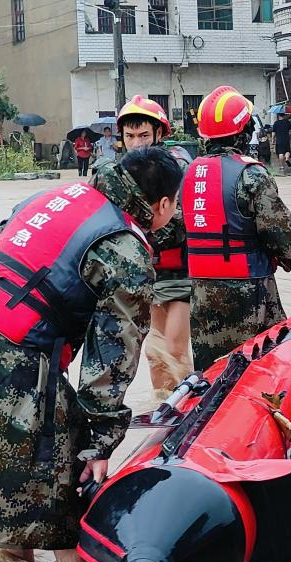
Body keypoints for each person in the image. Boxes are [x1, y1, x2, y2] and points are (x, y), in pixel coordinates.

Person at [0, 147, 184, 562]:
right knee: (62, 491)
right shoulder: (125, 248)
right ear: (162, 205)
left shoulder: (56, 197)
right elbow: (114, 356)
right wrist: (100, 444)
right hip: (16, 353)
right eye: (173, 205)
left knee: (14, 476)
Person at [185, 85, 291, 371]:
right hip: (249, 291)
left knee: (211, 374)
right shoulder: (251, 175)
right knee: (264, 367)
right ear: (245, 131)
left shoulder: (188, 173)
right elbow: (279, 237)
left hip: (200, 292)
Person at [94, 95, 194, 396]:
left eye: (144, 135)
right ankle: (163, 407)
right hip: (144, 273)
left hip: (179, 271)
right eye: (130, 136)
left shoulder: (176, 167)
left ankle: (187, 407)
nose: (137, 143)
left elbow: (181, 218)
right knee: (154, 350)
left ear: (160, 134)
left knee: (174, 345)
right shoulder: (114, 174)